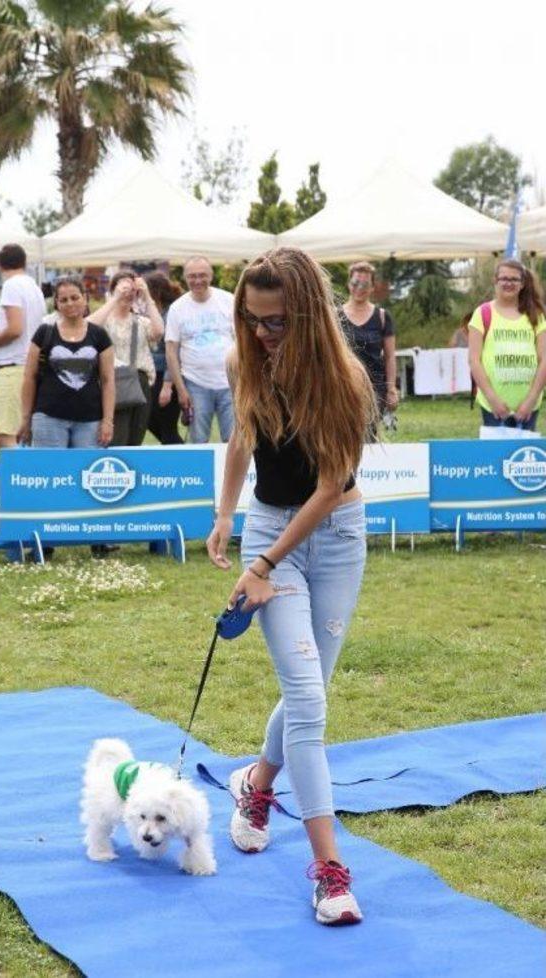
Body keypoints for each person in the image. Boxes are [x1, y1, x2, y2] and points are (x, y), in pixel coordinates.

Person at [207, 247, 375, 926]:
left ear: (307, 316)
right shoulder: (242, 356)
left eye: (275, 323)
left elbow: (332, 489)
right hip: (269, 529)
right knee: (307, 698)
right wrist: (225, 513)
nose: (261, 334)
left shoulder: (346, 379)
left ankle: (258, 782)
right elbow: (243, 437)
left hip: (333, 539)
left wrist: (266, 566)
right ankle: (330, 873)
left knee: (312, 692)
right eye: (251, 320)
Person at [17, 276, 115, 449]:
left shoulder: (99, 335)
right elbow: (29, 377)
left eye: (75, 297)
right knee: (50, 474)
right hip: (48, 418)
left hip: (90, 420)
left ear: (85, 298)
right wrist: (26, 419)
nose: (70, 303)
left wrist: (108, 421)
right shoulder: (44, 333)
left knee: (86, 473)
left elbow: (108, 381)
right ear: (57, 304)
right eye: (63, 300)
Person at [0, 244, 46, 449]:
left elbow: (15, 329)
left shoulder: (11, 286)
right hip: (29, 366)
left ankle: (18, 479)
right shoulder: (35, 288)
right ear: (24, 262)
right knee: (24, 436)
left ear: (0, 265)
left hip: (12, 368)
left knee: (5, 437)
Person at [469, 259, 546, 430]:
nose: (508, 283)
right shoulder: (482, 313)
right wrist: (492, 399)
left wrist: (531, 400)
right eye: (504, 278)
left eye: (514, 279)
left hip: (528, 406)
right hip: (493, 406)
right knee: (495, 455)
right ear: (495, 281)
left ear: (523, 284)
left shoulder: (537, 315)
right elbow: (474, 360)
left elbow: (544, 360)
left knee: (522, 454)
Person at [165, 256, 235, 443]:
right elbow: (171, 351)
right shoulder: (177, 308)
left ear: (211, 275)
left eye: (202, 275)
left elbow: (243, 342)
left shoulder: (229, 301)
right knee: (198, 442)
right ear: (185, 278)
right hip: (196, 384)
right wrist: (180, 389)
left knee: (234, 441)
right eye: (192, 276)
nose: (197, 280)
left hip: (231, 382)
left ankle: (230, 474)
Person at [89, 271, 163, 446]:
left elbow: (159, 331)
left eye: (132, 289)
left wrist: (146, 295)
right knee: (116, 438)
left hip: (140, 382)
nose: (127, 293)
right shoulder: (105, 320)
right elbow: (89, 327)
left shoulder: (141, 321)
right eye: (123, 288)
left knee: (135, 437)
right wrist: (115, 298)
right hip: (111, 382)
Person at [338, 261, 398, 433]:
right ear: (349, 284)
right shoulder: (336, 316)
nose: (359, 288)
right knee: (344, 437)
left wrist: (391, 389)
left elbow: (389, 357)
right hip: (343, 388)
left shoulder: (382, 317)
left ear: (372, 287)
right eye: (355, 283)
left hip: (374, 389)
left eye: (365, 284)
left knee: (368, 439)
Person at [144, 271, 183, 444]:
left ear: (154, 292)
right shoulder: (151, 314)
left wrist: (168, 384)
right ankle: (176, 451)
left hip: (166, 377)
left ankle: (181, 462)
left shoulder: (171, 315)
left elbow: (173, 352)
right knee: (149, 420)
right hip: (152, 376)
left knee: (167, 427)